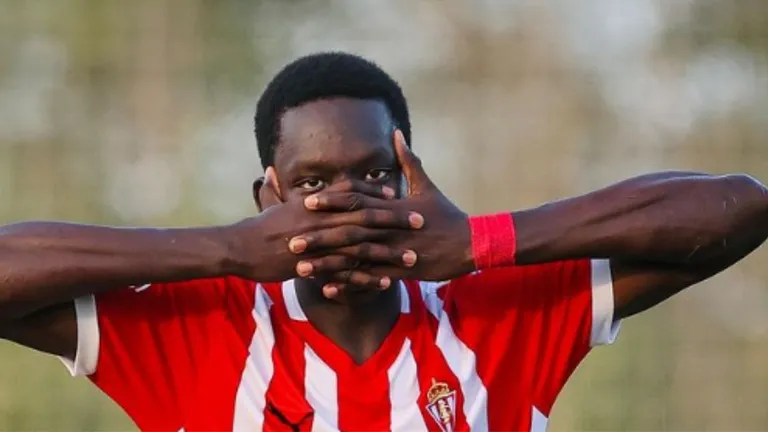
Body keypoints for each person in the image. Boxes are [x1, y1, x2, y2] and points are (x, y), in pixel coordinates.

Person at [0, 52, 766, 432]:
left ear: (411, 182)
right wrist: (228, 249)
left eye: (374, 174)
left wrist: (482, 242)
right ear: (268, 198)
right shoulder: (198, 329)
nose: (347, 207)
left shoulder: (497, 312)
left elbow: (739, 208)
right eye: (312, 183)